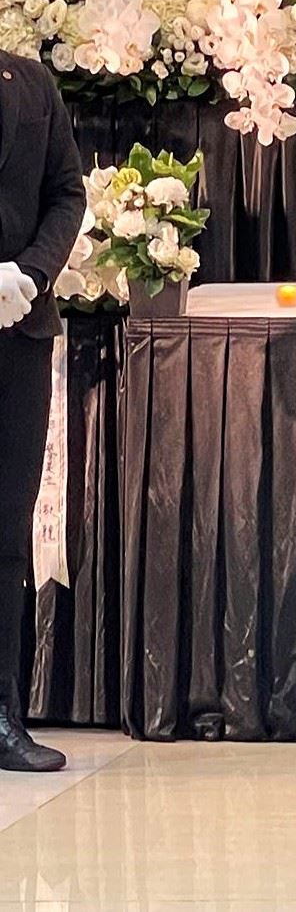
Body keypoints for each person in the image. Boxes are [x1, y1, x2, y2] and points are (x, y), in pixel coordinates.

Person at [0, 48, 85, 773]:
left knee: (7, 531)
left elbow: (67, 191)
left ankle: (3, 715)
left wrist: (29, 274)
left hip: (18, 330)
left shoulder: (29, 80)